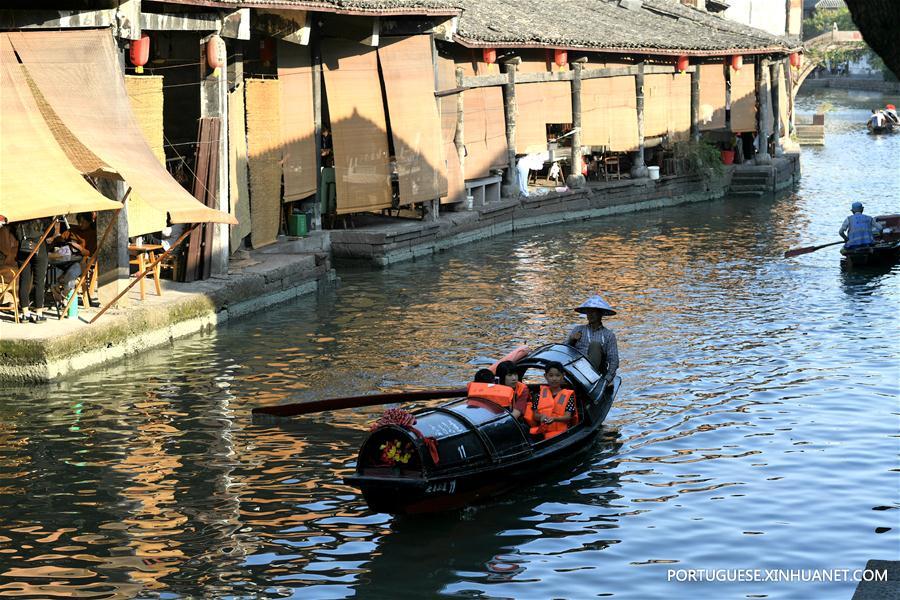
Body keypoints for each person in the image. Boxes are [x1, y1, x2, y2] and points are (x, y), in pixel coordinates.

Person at [565, 294, 619, 388]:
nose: (590, 314)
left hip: (597, 371)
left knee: (595, 345)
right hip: (577, 367)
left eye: (593, 312)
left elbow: (614, 360)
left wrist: (607, 379)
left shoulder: (609, 335)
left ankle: (588, 379)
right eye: (588, 312)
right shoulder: (578, 329)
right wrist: (571, 340)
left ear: (600, 314)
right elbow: (564, 350)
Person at [524, 362, 575, 440]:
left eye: (558, 375)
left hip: (562, 433)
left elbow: (568, 417)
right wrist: (541, 417)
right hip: (543, 431)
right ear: (545, 376)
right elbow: (535, 415)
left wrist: (554, 419)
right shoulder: (540, 394)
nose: (554, 379)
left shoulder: (567, 395)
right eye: (551, 375)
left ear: (563, 376)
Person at [13, 218, 51, 323]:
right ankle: (39, 314)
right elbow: (50, 231)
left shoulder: (20, 216)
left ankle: (25, 314)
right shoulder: (41, 215)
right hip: (40, 246)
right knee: (39, 282)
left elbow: (14, 232)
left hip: (23, 247)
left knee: (24, 281)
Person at [50, 213, 97, 295]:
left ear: (89, 222)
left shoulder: (92, 234)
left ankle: (66, 295)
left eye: (83, 222)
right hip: (66, 260)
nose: (80, 224)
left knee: (71, 275)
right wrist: (56, 239)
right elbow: (60, 238)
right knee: (52, 274)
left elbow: (89, 253)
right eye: (79, 222)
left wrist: (79, 247)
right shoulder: (73, 230)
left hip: (80, 262)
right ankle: (56, 295)